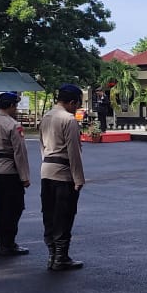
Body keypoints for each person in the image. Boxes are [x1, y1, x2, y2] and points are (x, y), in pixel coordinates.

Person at [39, 84, 85, 271]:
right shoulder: (69, 120)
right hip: (63, 173)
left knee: (49, 215)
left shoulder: (46, 117)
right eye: (78, 104)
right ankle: (61, 257)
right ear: (72, 102)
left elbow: (42, 145)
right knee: (64, 215)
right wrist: (78, 178)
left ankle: (52, 255)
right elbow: (74, 152)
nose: (77, 108)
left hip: (46, 170)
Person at [0, 92, 31, 257]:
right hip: (10, 170)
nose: (16, 109)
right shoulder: (13, 124)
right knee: (13, 207)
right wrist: (24, 177)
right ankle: (8, 242)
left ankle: (1, 241)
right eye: (16, 106)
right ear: (11, 105)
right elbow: (20, 153)